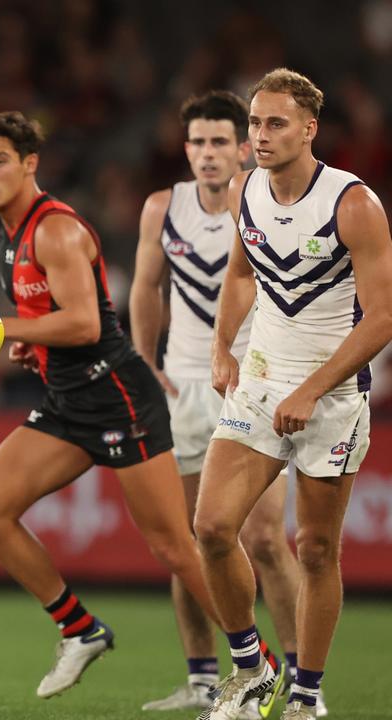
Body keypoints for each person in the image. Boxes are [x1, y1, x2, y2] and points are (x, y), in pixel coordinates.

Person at [0, 111, 240, 700]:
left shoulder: (55, 230)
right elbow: (51, 318)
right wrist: (25, 342)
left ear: (29, 164)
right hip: (68, 397)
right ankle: (79, 629)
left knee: (174, 547)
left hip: (116, 394)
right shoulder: (1, 233)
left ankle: (257, 665)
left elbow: (88, 322)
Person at [194, 68, 392, 720]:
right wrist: (223, 345)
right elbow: (244, 273)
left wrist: (312, 389)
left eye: (276, 123)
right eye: (254, 123)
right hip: (260, 383)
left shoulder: (353, 204)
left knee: (313, 548)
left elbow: (383, 317)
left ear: (309, 129)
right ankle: (252, 671)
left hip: (331, 399)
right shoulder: (245, 189)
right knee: (214, 528)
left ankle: (307, 694)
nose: (260, 135)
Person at [130, 90, 314, 718]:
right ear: (185, 149)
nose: (207, 154)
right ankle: (206, 679)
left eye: (218, 142)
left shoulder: (264, 200)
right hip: (183, 388)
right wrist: (146, 362)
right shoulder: (164, 206)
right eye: (197, 143)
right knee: (192, 540)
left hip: (252, 383)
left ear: (243, 147)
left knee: (264, 539)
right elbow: (145, 287)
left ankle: (296, 679)